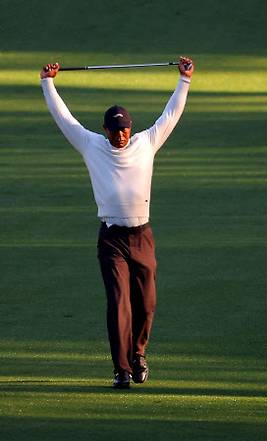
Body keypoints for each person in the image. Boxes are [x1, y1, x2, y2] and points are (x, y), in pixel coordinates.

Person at [40, 56, 194, 389]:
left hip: (142, 235)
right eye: (115, 130)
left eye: (125, 128)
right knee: (119, 302)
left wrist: (184, 80)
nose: (121, 135)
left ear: (130, 128)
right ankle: (121, 369)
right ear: (106, 130)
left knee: (146, 303)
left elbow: (171, 116)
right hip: (111, 239)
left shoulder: (146, 143)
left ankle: (138, 355)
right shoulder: (90, 144)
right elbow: (64, 119)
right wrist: (47, 83)